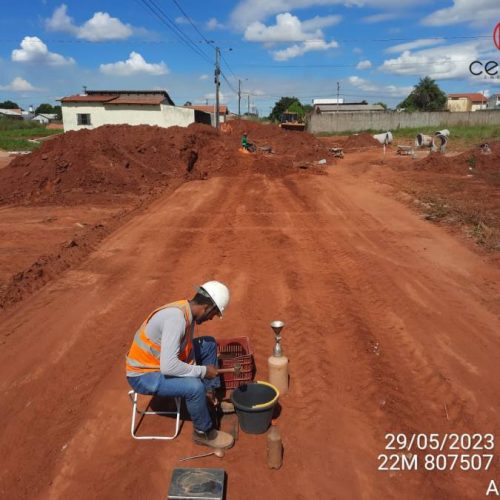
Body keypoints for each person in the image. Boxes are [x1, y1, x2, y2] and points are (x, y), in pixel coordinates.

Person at [126, 280, 234, 449]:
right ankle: (203, 432)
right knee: (194, 387)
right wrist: (203, 371)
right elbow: (168, 367)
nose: (212, 318)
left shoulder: (186, 310)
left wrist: (202, 374)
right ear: (207, 307)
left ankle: (210, 399)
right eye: (214, 313)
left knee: (209, 344)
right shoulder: (176, 319)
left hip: (160, 362)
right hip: (144, 374)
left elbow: (185, 347)